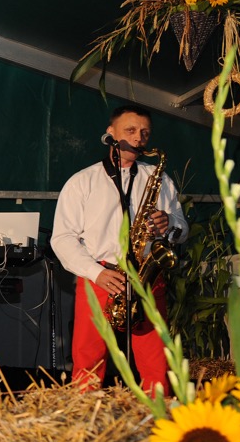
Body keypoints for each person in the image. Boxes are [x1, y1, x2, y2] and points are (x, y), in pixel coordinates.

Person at [51, 104, 188, 394]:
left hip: (146, 276)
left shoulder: (158, 178)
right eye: (131, 130)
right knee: (88, 359)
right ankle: (85, 416)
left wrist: (169, 224)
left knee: (155, 362)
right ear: (110, 133)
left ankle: (156, 414)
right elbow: (62, 238)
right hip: (101, 277)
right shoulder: (82, 181)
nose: (139, 138)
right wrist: (96, 273)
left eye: (145, 133)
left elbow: (181, 229)